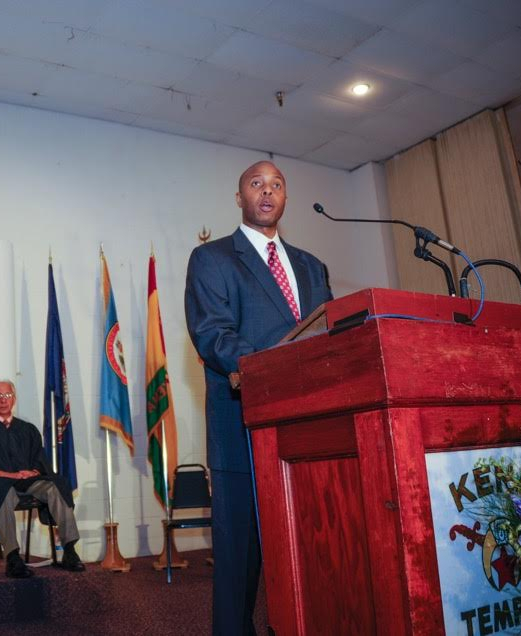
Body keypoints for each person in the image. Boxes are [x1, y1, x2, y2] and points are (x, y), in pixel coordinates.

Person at [184, 161, 333, 635]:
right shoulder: (212, 259)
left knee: (310, 551)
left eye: (276, 185)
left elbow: (329, 340)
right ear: (239, 197)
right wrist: (278, 370)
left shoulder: (312, 266)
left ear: (285, 198)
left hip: (312, 434)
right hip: (244, 429)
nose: (267, 192)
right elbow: (213, 336)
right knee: (240, 562)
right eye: (256, 184)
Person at [0, 379, 84, 578]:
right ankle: (12, 557)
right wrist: (10, 475)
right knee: (3, 491)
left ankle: (69, 550)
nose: (3, 400)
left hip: (27, 482)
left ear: (14, 399)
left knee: (56, 486)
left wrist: (34, 470)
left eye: (7, 395)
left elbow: (39, 458)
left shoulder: (27, 429)